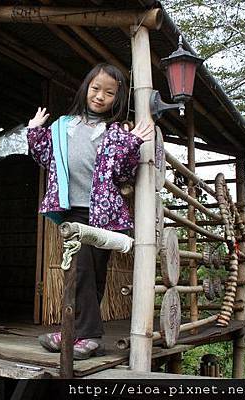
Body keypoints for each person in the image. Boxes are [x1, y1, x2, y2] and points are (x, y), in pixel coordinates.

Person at [26, 63, 153, 360]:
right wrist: (34, 131)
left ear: (117, 98)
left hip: (103, 213)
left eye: (109, 93)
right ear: (85, 88)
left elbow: (124, 173)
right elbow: (45, 157)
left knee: (92, 275)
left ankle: (80, 333)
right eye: (96, 89)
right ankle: (84, 334)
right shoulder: (62, 126)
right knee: (79, 269)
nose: (100, 96)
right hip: (74, 212)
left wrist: (133, 142)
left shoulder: (114, 131)